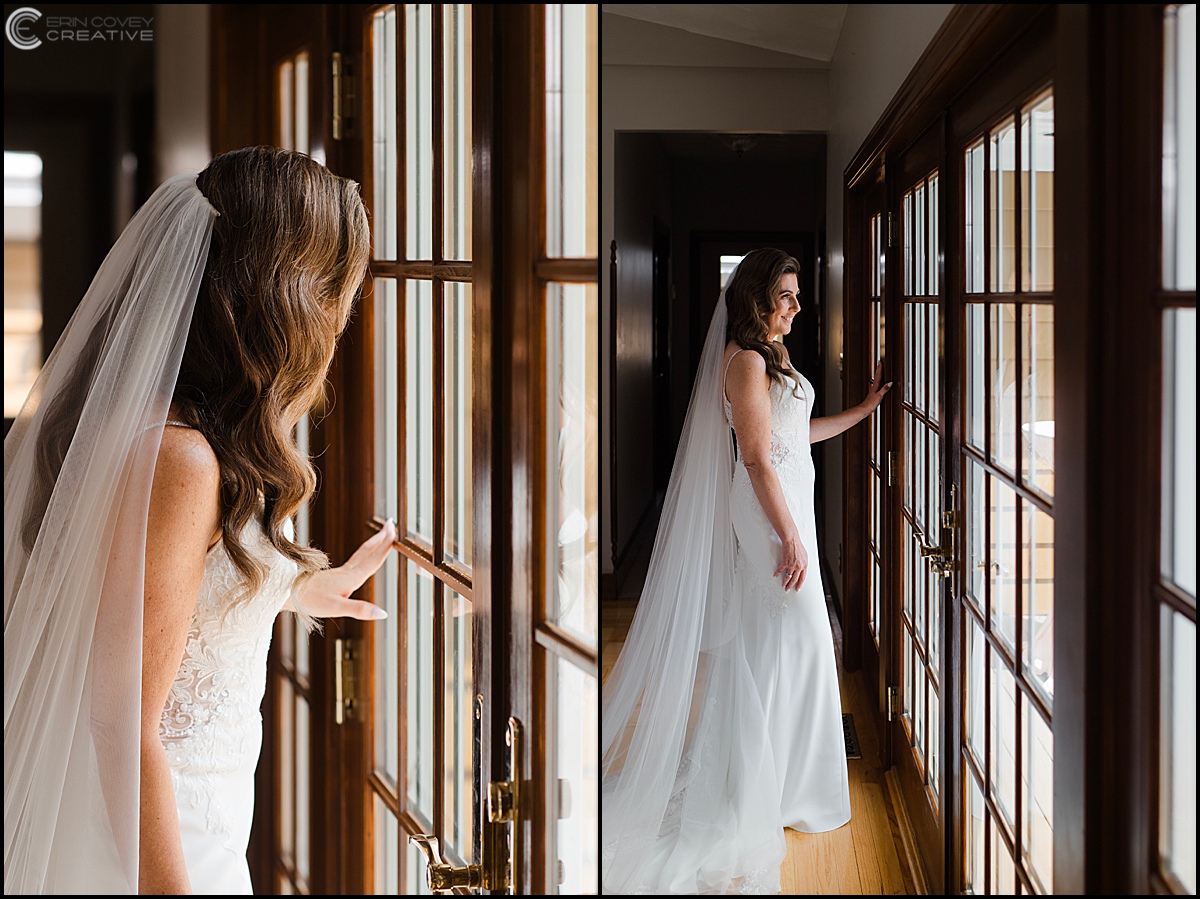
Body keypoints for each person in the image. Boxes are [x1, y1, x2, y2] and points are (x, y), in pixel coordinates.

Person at [4, 146, 393, 894]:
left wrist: (294, 584)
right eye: (331, 288)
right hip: (156, 840)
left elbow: (164, 593)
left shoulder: (167, 428)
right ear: (281, 296)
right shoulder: (183, 461)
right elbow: (121, 723)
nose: (339, 317)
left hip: (177, 820)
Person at [601, 248, 891, 894]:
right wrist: (788, 534)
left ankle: (778, 782)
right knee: (805, 640)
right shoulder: (745, 361)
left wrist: (863, 411)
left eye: (797, 294)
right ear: (759, 297)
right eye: (786, 295)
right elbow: (758, 458)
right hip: (769, 515)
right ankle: (771, 786)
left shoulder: (770, 356)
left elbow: (794, 434)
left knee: (786, 643)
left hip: (785, 508)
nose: (796, 305)